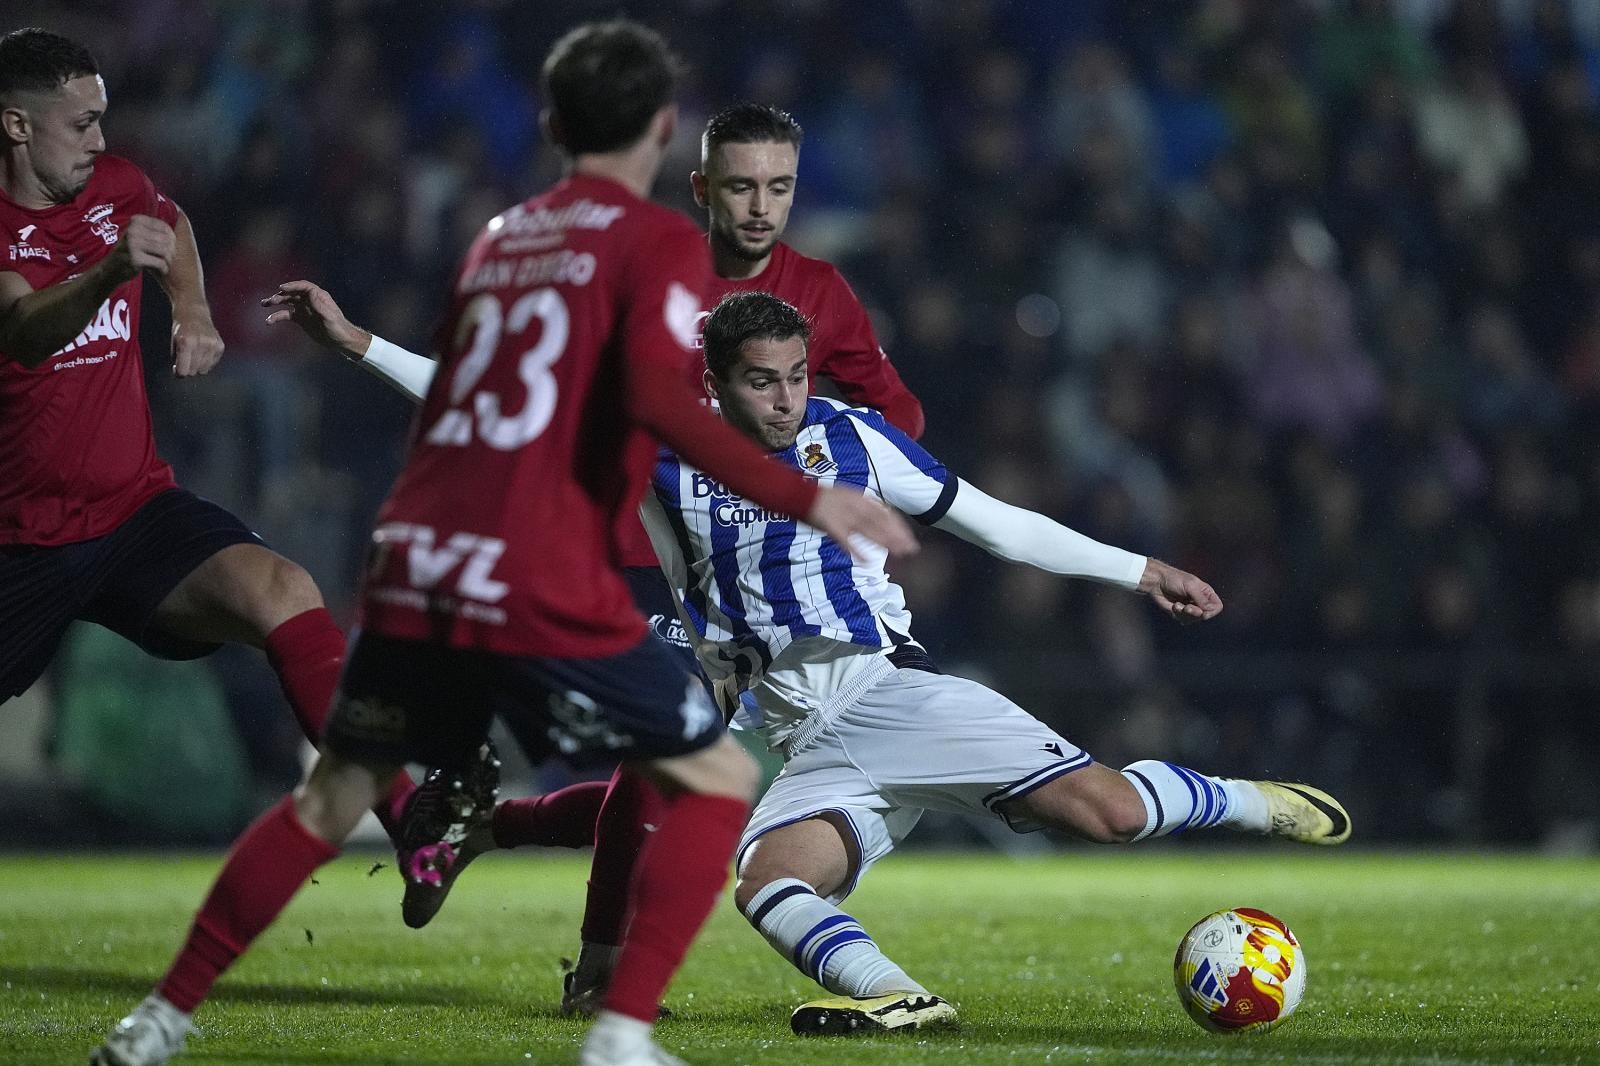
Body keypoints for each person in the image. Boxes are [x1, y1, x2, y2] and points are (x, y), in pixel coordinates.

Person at [91, 20, 914, 1066]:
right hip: (551, 560)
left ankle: (159, 1018)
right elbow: (666, 409)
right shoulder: (656, 247)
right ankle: (618, 1027)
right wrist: (807, 497)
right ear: (666, 133)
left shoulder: (502, 237)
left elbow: (478, 393)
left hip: (422, 545)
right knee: (707, 775)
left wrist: (367, 355)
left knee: (332, 794)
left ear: (552, 126)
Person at [256, 104, 934, 992]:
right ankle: (599, 971)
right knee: (665, 758)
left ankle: (484, 827)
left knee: (680, 785)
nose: (761, 206)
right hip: (624, 556)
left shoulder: (820, 293)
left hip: (745, 589)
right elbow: (506, 394)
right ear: (702, 188)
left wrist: (845, 505)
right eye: (741, 185)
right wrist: (363, 346)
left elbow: (897, 425)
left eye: (779, 186)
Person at [640, 291, 1351, 1035]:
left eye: (797, 375)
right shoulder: (662, 458)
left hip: (886, 696)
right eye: (763, 382)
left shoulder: (850, 438)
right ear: (715, 384)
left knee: (1114, 816)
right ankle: (901, 998)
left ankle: (1252, 801)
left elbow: (1000, 526)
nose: (787, 400)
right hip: (808, 742)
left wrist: (1139, 571)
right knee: (766, 881)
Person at [0, 27, 417, 837]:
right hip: (20, 542)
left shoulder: (115, 185)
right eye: (81, 123)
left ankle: (409, 818)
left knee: (283, 590)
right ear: (16, 124)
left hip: (130, 513)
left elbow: (173, 222)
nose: (100, 140)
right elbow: (23, 331)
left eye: (102, 118)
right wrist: (110, 272)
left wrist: (191, 310)